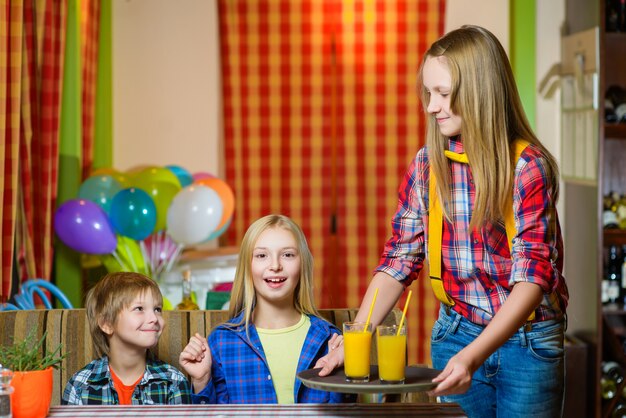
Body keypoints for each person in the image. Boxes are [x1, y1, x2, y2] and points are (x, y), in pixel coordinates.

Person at [315, 25, 569, 418]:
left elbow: (532, 281)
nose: (431, 106)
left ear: (481, 93)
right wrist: (359, 336)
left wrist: (474, 357)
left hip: (528, 344)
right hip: (456, 333)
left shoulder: (526, 168)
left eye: (444, 94)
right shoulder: (427, 166)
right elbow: (399, 261)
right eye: (428, 93)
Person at [179, 214, 350, 404]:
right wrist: (201, 380)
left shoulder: (329, 340)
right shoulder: (222, 341)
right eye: (261, 255)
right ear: (247, 266)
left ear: (302, 265)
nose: (275, 265)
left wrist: (348, 369)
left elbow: (342, 409)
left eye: (288, 255)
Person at [62, 272, 191, 405]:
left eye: (157, 309)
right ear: (106, 323)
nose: (154, 319)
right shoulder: (78, 386)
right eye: (139, 308)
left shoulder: (174, 383)